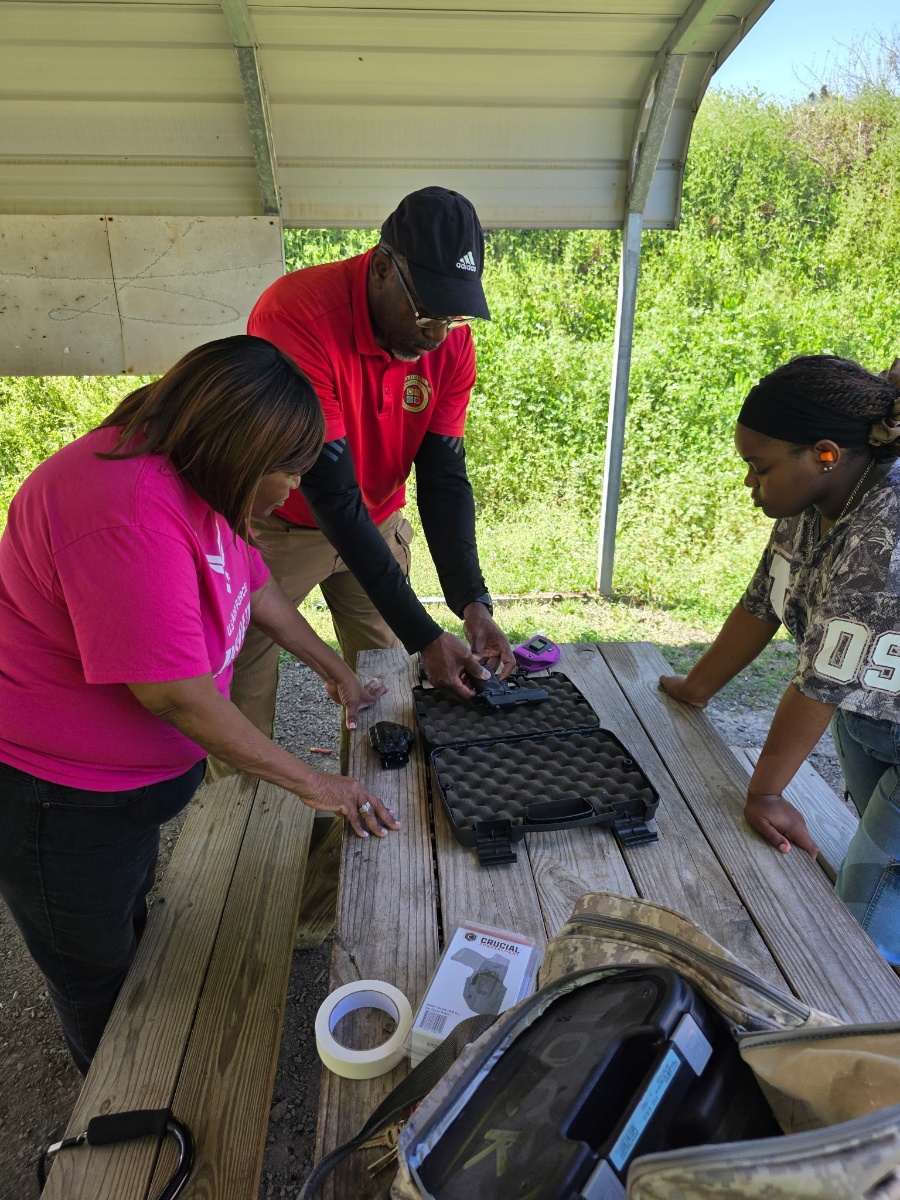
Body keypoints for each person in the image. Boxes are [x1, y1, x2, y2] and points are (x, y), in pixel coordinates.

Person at [0, 335, 399, 1073]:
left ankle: (132, 1032)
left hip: (123, 794)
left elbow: (255, 585)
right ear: (236, 444)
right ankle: (113, 1092)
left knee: (123, 910)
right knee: (93, 969)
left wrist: (333, 673)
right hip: (60, 802)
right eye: (288, 471)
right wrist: (319, 784)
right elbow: (177, 697)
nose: (293, 492)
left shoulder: (195, 474)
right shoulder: (123, 508)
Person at [228, 186, 515, 766]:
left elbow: (443, 478)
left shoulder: (451, 344)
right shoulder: (297, 315)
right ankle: (241, 829)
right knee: (243, 691)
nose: (437, 334)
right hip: (284, 527)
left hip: (377, 524)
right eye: (428, 310)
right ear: (382, 268)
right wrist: (425, 633)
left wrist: (471, 602)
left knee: (388, 690)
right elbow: (329, 492)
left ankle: (357, 832)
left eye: (452, 314)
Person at [660, 354, 900, 966]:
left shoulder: (886, 524)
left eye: (757, 467)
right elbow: (763, 603)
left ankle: (862, 1035)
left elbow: (821, 680)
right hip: (868, 719)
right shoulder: (814, 503)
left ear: (824, 453)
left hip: (861, 708)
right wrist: (697, 686)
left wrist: (764, 793)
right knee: (881, 883)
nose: (749, 484)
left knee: (861, 921)